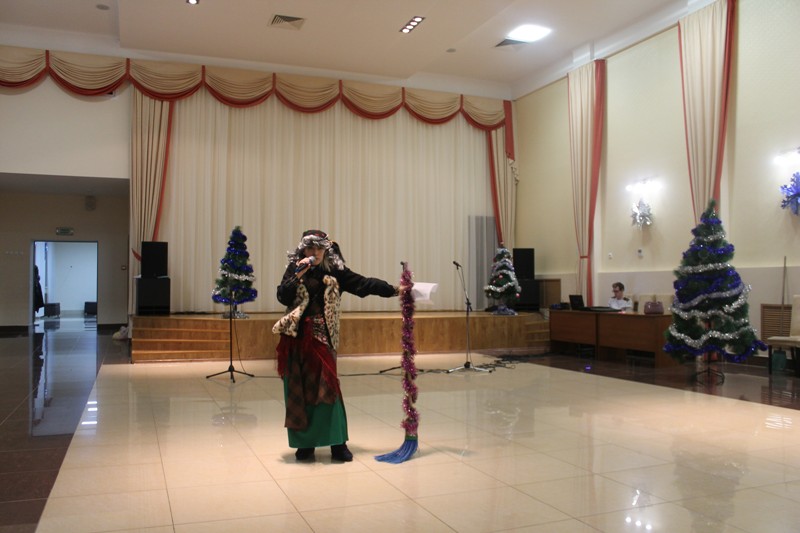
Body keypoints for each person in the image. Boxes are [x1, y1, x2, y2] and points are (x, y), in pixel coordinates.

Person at [273, 230, 398, 462]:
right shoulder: (295, 269)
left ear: (325, 250)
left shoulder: (335, 270)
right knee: (298, 389)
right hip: (295, 338)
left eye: (319, 248)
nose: (315, 252)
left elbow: (363, 284)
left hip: (322, 337)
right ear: (303, 250)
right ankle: (306, 444)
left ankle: (338, 443)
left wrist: (394, 290)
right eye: (310, 248)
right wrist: (297, 275)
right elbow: (282, 296)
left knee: (327, 388)